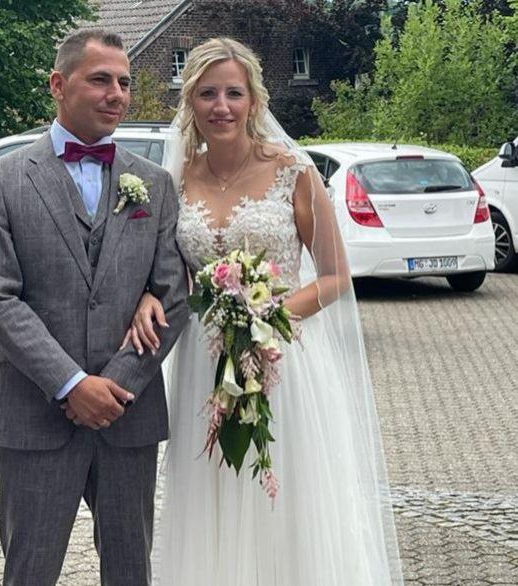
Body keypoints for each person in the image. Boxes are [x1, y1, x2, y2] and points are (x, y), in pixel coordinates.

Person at [124, 38, 404, 585]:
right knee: (213, 492)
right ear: (190, 101)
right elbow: (163, 271)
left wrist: (264, 318)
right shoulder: (174, 180)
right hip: (205, 366)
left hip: (282, 361)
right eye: (207, 93)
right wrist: (148, 295)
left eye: (233, 93)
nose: (221, 106)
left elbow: (335, 276)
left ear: (254, 100)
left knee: (284, 499)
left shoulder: (293, 171)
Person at [0, 29, 189, 586]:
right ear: (58, 85)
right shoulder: (1, 180)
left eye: (125, 82)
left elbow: (173, 295)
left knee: (130, 571)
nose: (117, 94)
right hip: (33, 415)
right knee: (30, 571)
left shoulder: (154, 183)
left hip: (127, 415)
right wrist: (72, 385)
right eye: (100, 80)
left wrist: (115, 386)